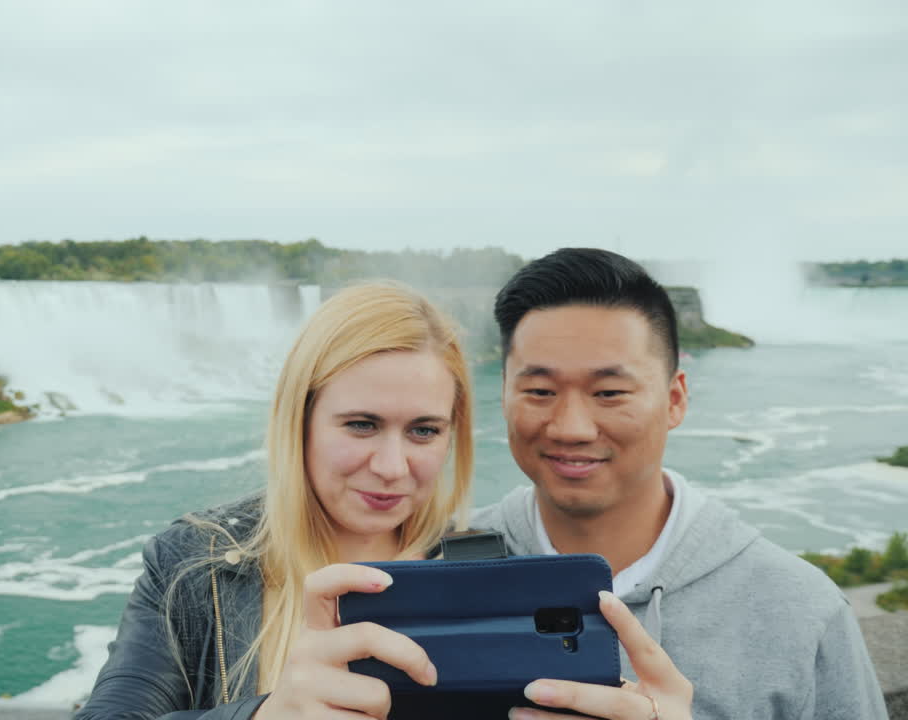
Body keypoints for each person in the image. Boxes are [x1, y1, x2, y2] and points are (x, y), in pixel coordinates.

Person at [76, 281, 693, 720]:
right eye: (362, 425)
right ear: (301, 422)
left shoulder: (495, 573)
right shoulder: (197, 565)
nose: (394, 468)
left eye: (424, 430)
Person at [477, 248, 889, 720]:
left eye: (609, 393)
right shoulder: (429, 566)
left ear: (675, 400)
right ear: (504, 394)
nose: (571, 427)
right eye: (540, 392)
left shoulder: (797, 609)